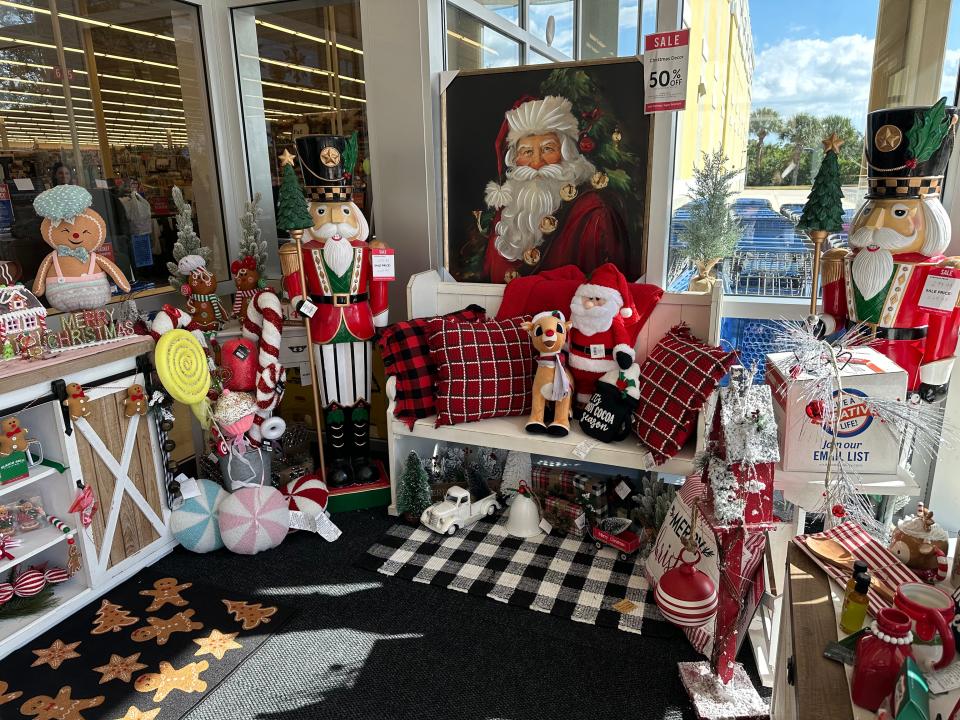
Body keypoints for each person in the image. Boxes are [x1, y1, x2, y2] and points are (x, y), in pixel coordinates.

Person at [821, 99, 960, 401]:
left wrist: (935, 376)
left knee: (894, 438)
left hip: (905, 366)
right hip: (850, 359)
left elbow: (942, 325)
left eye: (897, 213)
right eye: (871, 211)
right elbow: (835, 316)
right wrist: (822, 324)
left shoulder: (940, 271)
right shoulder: (842, 261)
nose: (875, 224)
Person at [279, 135, 391, 487]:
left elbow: (380, 288)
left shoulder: (370, 249)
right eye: (325, 212)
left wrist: (381, 318)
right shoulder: (300, 251)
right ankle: (338, 460)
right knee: (331, 396)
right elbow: (295, 291)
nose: (335, 222)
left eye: (343, 211)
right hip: (324, 325)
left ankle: (361, 457)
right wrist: (302, 303)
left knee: (359, 392)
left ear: (354, 213)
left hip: (359, 323)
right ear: (312, 214)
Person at [480, 95, 629, 283]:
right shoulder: (506, 213)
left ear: (567, 154)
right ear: (515, 160)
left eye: (548, 149)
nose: (536, 163)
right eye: (527, 152)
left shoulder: (594, 212)